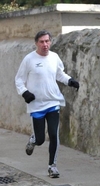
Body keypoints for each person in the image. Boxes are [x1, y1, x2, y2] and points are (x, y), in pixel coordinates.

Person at [15, 30, 80, 178]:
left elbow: (59, 74)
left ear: (50, 42)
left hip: (52, 102)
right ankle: (33, 140)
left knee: (53, 134)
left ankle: (52, 166)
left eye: (47, 41)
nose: (45, 44)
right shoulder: (29, 59)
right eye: (41, 42)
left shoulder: (54, 57)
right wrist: (24, 93)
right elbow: (19, 80)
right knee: (40, 139)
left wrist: (70, 81)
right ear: (36, 43)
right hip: (36, 104)